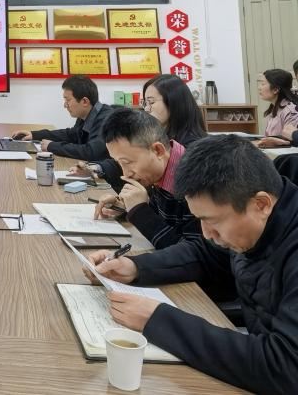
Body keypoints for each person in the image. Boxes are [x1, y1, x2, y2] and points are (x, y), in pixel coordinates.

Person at [86, 136, 298, 395]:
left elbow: (286, 367)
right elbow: (205, 254)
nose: (207, 233)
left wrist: (159, 320)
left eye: (213, 221)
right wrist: (134, 267)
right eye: (200, 220)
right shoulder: (254, 220)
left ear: (261, 204)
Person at [92, 108, 203, 251]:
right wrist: (127, 207)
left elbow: (192, 253)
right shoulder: (160, 171)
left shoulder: (195, 182)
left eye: (127, 162)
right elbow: (162, 220)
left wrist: (140, 212)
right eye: (119, 163)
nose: (125, 174)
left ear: (158, 150)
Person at [74, 74, 206, 189]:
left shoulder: (192, 150)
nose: (147, 109)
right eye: (145, 103)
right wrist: (97, 168)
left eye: (151, 102)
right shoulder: (157, 134)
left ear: (174, 102)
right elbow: (128, 160)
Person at [10, 75, 111, 160]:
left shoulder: (107, 119)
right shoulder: (85, 115)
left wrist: (52, 146)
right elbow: (70, 135)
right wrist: (34, 135)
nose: (65, 105)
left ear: (84, 101)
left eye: (68, 100)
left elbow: (92, 152)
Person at [255, 69, 298, 147]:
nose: (259, 87)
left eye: (263, 84)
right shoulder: (274, 108)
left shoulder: (290, 111)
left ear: (275, 89)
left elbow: (290, 141)